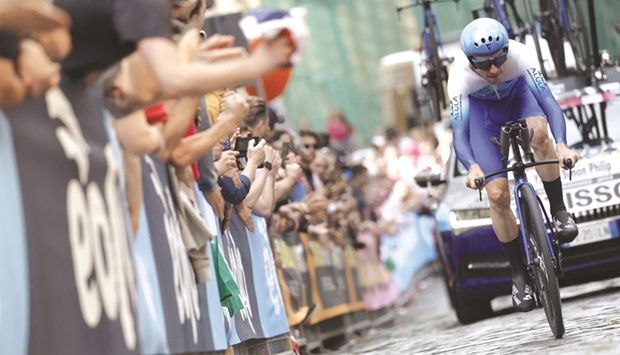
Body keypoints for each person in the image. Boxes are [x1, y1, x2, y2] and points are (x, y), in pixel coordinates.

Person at [448, 18, 579, 312]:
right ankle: (519, 273)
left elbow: (548, 103)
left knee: (540, 135)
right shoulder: (458, 78)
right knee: (496, 195)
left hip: (520, 99)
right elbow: (459, 132)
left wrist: (563, 143)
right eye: (484, 65)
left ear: (507, 50)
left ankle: (558, 212)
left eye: (499, 59)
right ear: (470, 62)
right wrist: (471, 166)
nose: (494, 69)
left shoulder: (520, 55)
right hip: (484, 120)